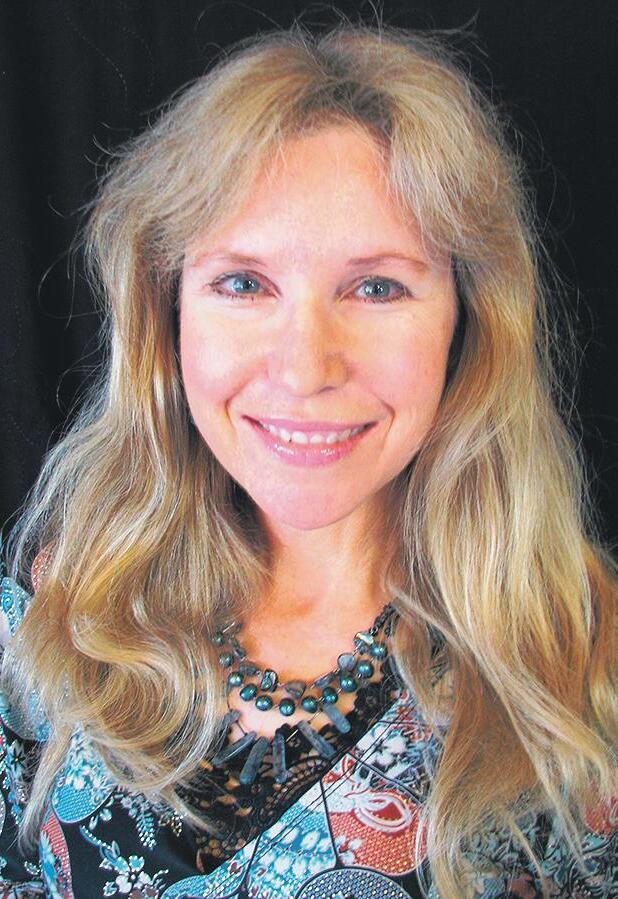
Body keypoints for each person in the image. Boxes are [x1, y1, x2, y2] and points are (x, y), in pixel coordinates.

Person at [0, 19, 616, 899]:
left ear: (468, 323)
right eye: (243, 283)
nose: (303, 368)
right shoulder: (53, 606)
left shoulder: (580, 671)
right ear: (166, 316)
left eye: (377, 287)